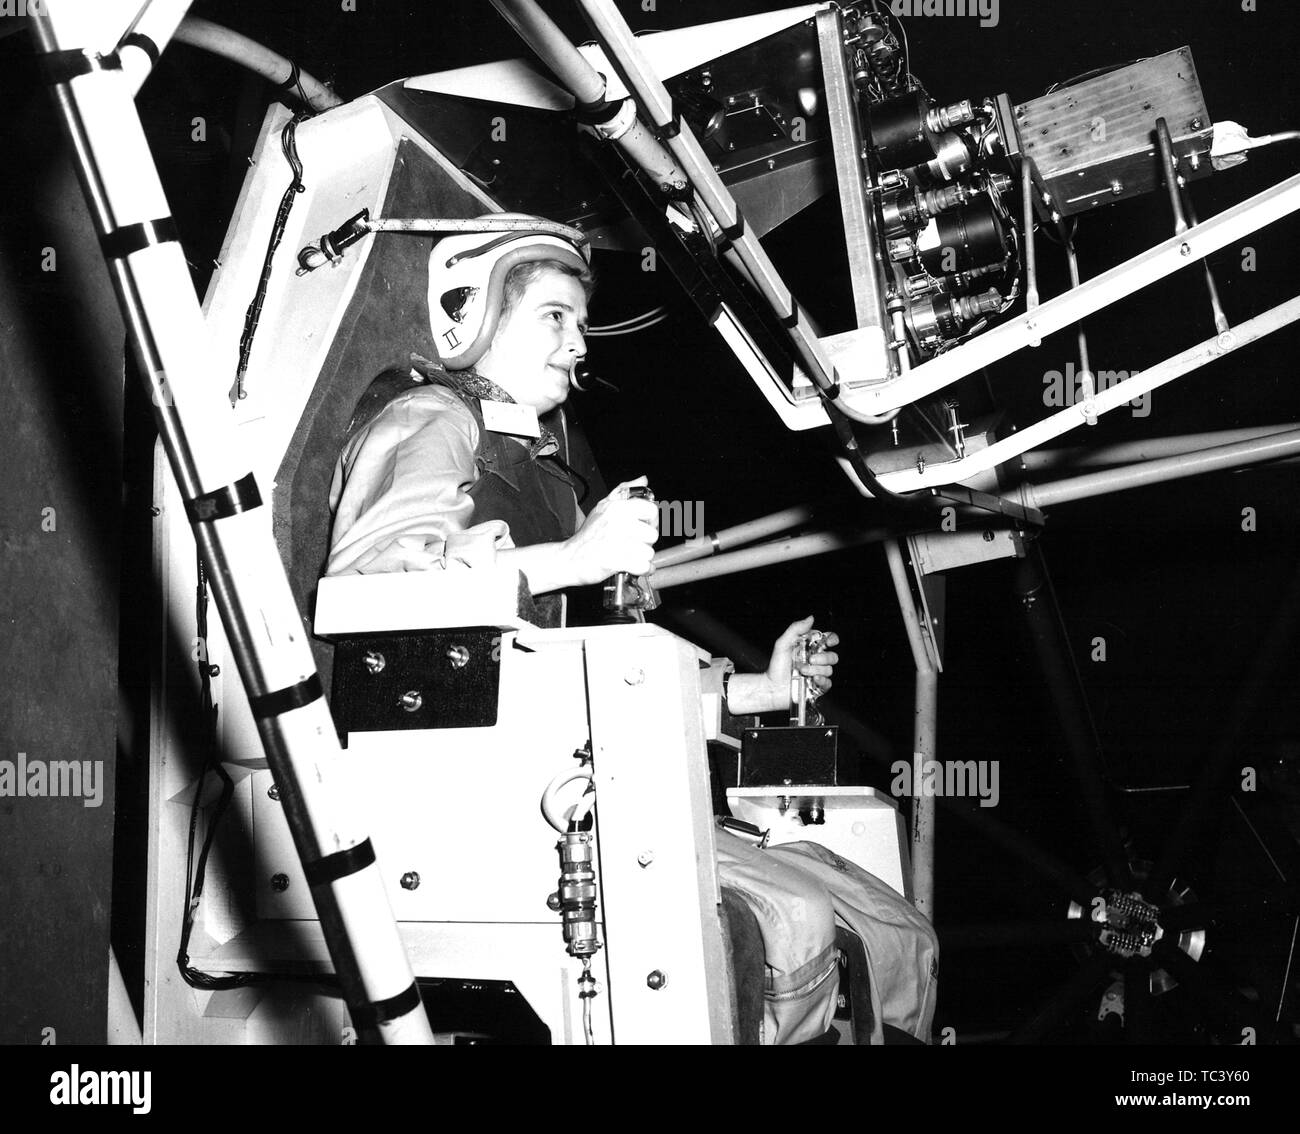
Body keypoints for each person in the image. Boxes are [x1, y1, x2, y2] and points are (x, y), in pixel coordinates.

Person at [325, 215, 936, 1044]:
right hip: (465, 792)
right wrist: (573, 559)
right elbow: (373, 584)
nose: (579, 345)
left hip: (560, 773)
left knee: (888, 923)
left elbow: (601, 669)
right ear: (477, 313)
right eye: (554, 317)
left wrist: (759, 689)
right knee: (793, 915)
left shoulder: (550, 479)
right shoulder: (433, 419)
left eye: (580, 325)